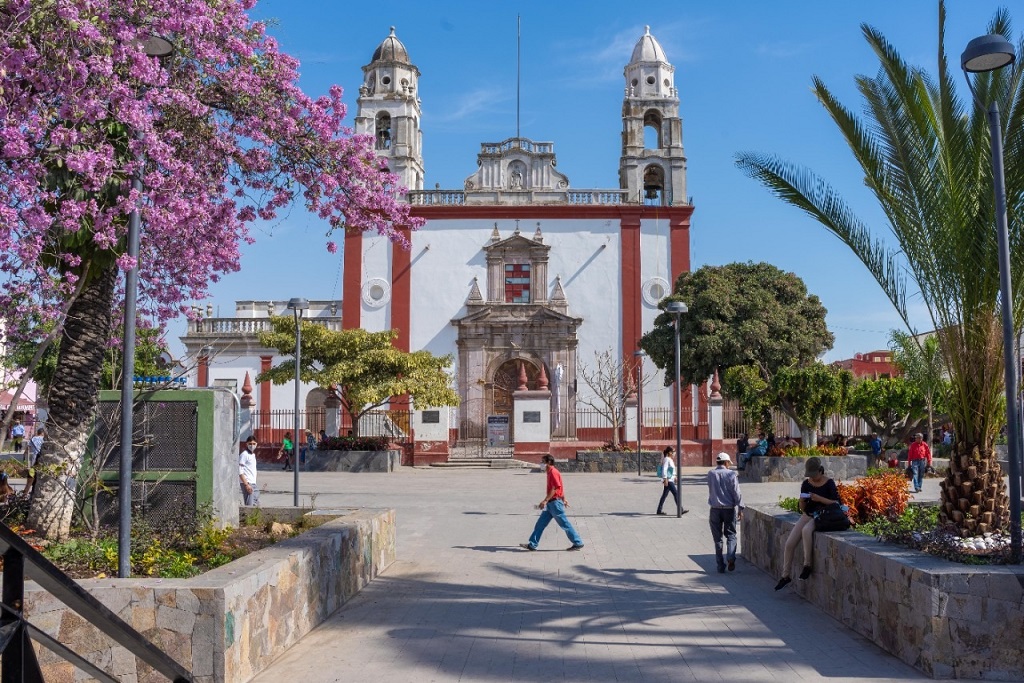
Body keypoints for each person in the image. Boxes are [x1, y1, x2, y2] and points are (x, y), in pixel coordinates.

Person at [774, 457, 841, 590]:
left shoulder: (829, 483)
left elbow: (836, 503)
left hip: (823, 516)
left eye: (814, 475)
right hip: (808, 515)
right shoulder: (806, 484)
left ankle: (807, 565)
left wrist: (819, 498)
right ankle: (785, 575)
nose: (812, 478)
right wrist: (802, 502)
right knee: (789, 544)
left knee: (806, 530)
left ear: (820, 471)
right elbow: (804, 509)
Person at [520, 455, 584, 551]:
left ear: (549, 462)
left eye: (543, 461)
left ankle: (578, 542)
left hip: (554, 504)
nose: (541, 463)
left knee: (564, 524)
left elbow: (555, 487)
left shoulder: (553, 472)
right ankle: (532, 544)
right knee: (540, 524)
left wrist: (545, 500)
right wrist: (564, 499)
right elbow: (560, 486)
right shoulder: (550, 472)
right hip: (551, 504)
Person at [707, 453, 743, 573]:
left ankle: (720, 565)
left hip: (715, 509)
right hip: (729, 509)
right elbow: (736, 492)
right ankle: (731, 557)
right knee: (731, 535)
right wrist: (740, 507)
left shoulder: (711, 474)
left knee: (717, 539)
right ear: (726, 463)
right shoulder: (732, 474)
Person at [655, 446, 687, 516]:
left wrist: (674, 477)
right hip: (668, 480)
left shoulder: (670, 459)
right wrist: (665, 479)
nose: (674, 453)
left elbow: (671, 470)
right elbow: (664, 469)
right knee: (676, 493)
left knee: (664, 495)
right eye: (673, 452)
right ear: (669, 452)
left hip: (670, 479)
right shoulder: (667, 459)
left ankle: (659, 510)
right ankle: (680, 510)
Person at [23, 427, 44, 495]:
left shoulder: (33, 439)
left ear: (38, 432)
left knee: (32, 475)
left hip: (34, 458)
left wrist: (24, 454)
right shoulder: (44, 439)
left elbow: (28, 447)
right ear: (42, 433)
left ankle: (26, 493)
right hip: (42, 459)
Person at [240, 435, 260, 506]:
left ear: (256, 444)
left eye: (254, 444)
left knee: (256, 505)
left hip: (253, 483)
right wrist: (246, 484)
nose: (252, 445)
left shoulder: (252, 455)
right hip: (248, 483)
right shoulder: (244, 455)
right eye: (250, 444)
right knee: (249, 507)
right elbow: (240, 471)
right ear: (246, 444)